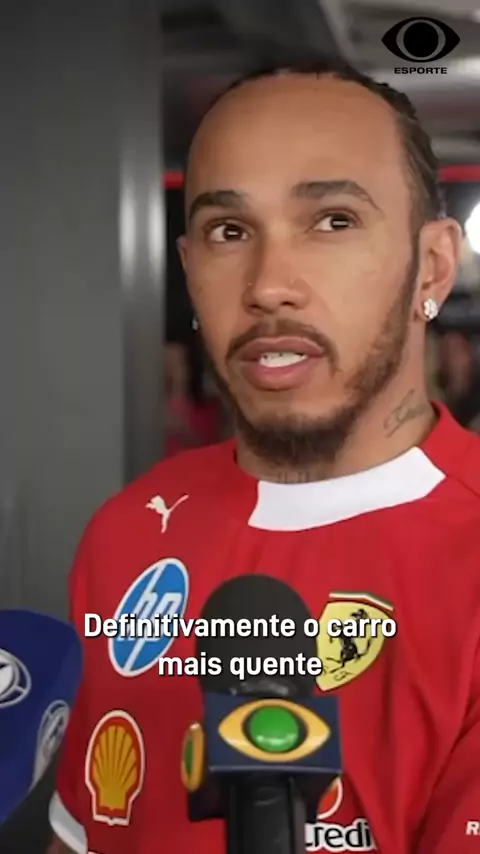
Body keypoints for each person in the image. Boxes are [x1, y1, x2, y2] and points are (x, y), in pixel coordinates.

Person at [46, 57, 480, 854]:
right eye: (229, 231)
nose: (269, 285)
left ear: (432, 266)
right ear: (190, 271)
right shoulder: (126, 530)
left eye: (333, 221)